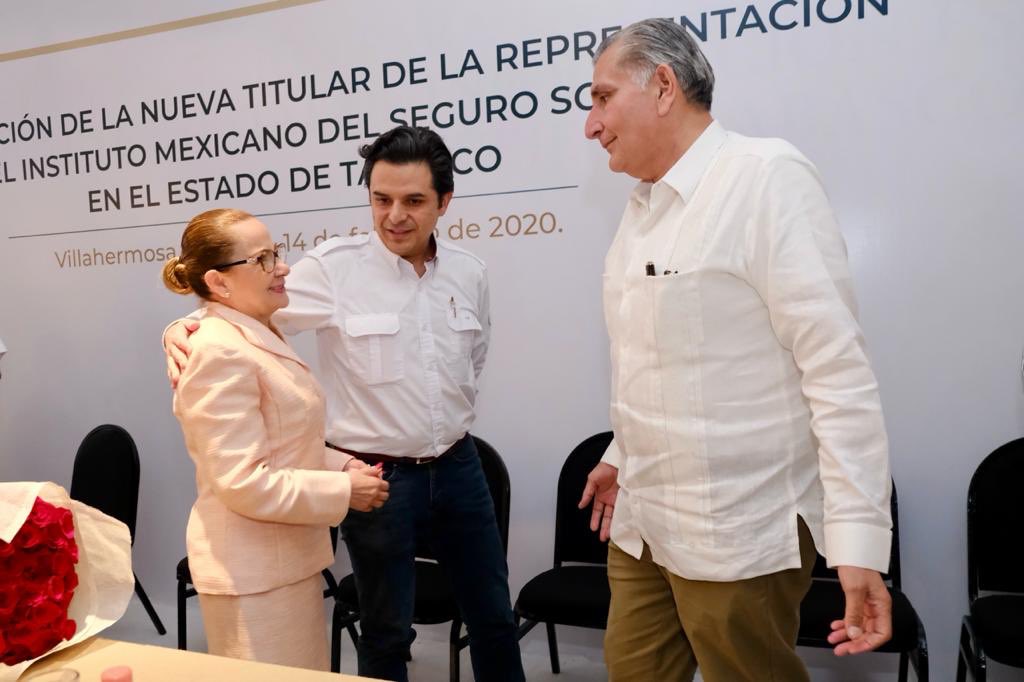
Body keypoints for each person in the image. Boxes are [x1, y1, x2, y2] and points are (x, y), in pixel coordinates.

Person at [576, 19, 894, 682]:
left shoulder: (765, 178)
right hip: (643, 517)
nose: (591, 123)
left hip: (737, 527)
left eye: (602, 97)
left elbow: (836, 371)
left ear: (662, 86)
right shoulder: (642, 209)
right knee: (630, 670)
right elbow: (666, 361)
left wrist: (857, 543)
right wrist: (619, 452)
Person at [164, 127, 525, 682]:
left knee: (494, 619)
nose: (394, 216)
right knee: (385, 631)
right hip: (376, 479)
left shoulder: (469, 271)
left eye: (413, 201)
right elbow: (239, 312)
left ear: (444, 202)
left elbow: (472, 361)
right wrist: (179, 325)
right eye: (381, 200)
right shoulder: (334, 269)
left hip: (458, 465)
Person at [161, 208, 389, 671]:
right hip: (250, 574)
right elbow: (243, 481)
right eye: (263, 259)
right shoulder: (218, 348)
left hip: (280, 565)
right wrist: (343, 492)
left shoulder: (256, 329)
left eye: (276, 254)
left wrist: (340, 465)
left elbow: (282, 439)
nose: (283, 267)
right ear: (219, 283)